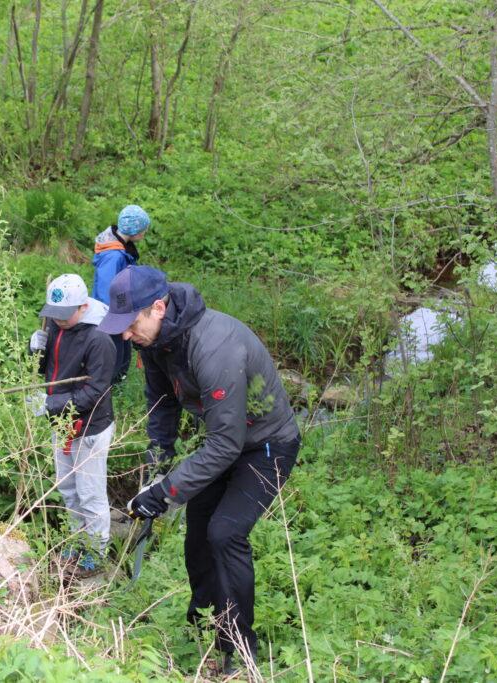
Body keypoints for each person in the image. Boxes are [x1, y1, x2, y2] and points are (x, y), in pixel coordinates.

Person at [99, 265, 301, 675]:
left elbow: (226, 445)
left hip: (265, 446)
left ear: (158, 307)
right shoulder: (154, 342)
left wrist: (164, 493)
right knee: (198, 536)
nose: (124, 335)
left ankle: (239, 650)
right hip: (223, 444)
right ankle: (203, 621)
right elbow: (162, 401)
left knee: (225, 533)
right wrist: (160, 454)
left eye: (129, 323)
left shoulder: (214, 346)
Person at [28, 274, 115, 579]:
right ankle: (76, 542)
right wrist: (34, 350)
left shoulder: (99, 340)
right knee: (68, 489)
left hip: (89, 427)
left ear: (83, 306)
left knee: (90, 493)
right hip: (60, 424)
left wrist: (49, 405)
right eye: (53, 314)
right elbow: (45, 369)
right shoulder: (54, 324)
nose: (57, 321)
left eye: (64, 315)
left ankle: (96, 553)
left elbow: (94, 393)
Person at [91, 205, 150, 384]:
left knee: (124, 348)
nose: (145, 232)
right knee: (115, 351)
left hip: (122, 310)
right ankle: (109, 384)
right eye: (143, 229)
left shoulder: (123, 250)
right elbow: (105, 289)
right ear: (134, 229)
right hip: (111, 314)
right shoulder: (114, 256)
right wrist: (114, 317)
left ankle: (118, 380)